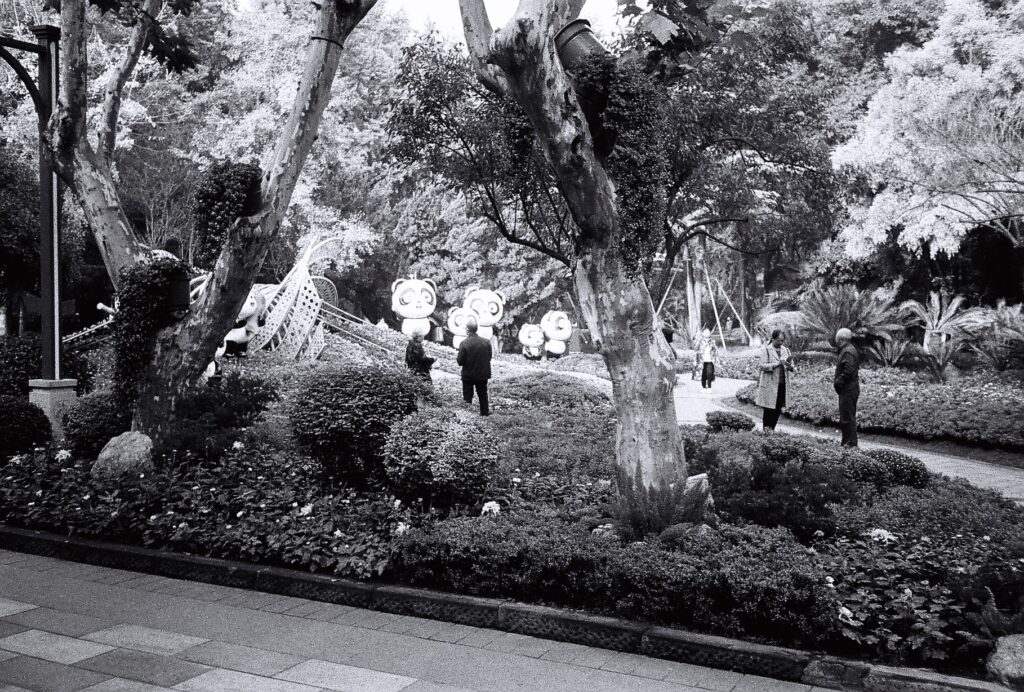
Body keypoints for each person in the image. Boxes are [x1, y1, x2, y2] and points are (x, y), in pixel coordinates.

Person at [754, 329, 794, 431]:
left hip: (781, 385)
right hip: (769, 386)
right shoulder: (766, 350)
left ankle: (771, 430)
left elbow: (792, 367)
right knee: (768, 410)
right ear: (773, 339)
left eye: (782, 341)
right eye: (778, 340)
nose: (780, 343)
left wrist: (789, 366)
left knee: (777, 409)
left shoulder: (786, 350)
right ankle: (766, 431)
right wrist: (777, 364)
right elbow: (762, 365)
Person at [456, 317, 492, 416]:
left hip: (468, 375)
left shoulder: (464, 343)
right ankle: (485, 413)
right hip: (482, 374)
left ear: (467, 330)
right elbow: (489, 357)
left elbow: (460, 361)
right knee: (483, 395)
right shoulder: (486, 342)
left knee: (467, 397)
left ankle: (467, 415)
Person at [834, 327, 861, 447]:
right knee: (847, 418)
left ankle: (849, 445)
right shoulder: (848, 350)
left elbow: (848, 370)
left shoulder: (848, 351)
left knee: (847, 419)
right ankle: (847, 443)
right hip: (849, 389)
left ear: (840, 339)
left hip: (848, 389)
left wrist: (838, 382)